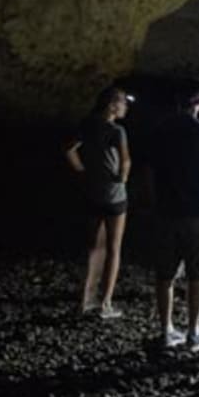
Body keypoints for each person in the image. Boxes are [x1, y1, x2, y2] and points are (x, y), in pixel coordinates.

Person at [148, 78, 199, 353]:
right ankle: (194, 331)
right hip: (197, 213)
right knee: (197, 273)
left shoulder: (160, 131)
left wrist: (154, 205)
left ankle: (166, 330)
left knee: (165, 274)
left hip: (167, 211)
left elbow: (151, 173)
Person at [66, 85, 132, 319]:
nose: (126, 106)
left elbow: (69, 150)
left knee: (95, 246)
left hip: (92, 191)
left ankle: (86, 300)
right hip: (114, 194)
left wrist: (82, 171)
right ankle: (105, 303)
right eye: (123, 102)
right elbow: (125, 161)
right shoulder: (117, 130)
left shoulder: (87, 124)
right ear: (112, 105)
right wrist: (122, 179)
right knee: (114, 248)